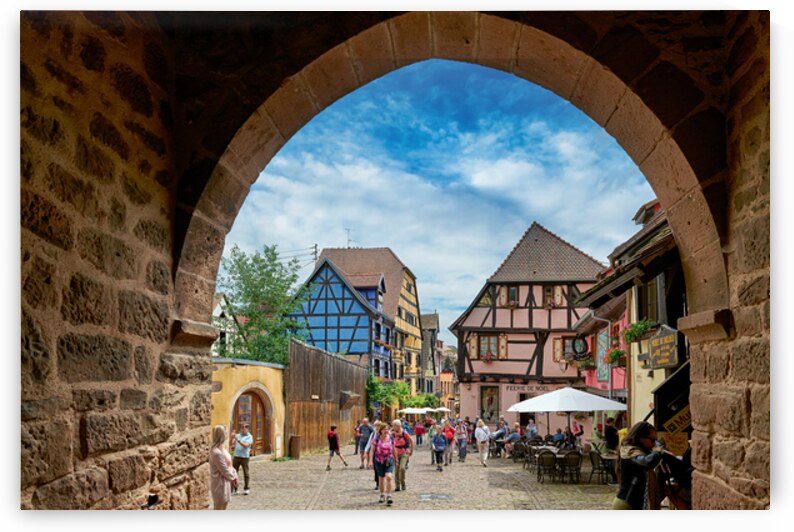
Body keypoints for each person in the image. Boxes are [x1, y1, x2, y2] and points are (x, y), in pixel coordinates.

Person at [612, 422, 664, 510]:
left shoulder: (638, 451)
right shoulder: (630, 452)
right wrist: (659, 452)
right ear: (641, 438)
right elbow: (647, 462)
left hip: (633, 503)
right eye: (652, 440)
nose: (654, 444)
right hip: (627, 505)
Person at [209, 425, 238, 510]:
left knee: (224, 506)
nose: (227, 434)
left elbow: (230, 464)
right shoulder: (216, 452)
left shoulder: (223, 449)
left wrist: (235, 474)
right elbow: (224, 469)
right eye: (225, 432)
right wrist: (233, 478)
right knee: (219, 508)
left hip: (226, 482)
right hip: (220, 484)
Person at [370, 422, 397, 505]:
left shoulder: (391, 438)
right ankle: (382, 494)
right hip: (379, 461)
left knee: (389, 477)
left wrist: (396, 460)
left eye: (387, 429)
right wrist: (370, 461)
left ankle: (389, 495)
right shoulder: (376, 439)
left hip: (389, 460)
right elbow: (372, 450)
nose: (386, 431)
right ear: (381, 430)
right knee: (381, 479)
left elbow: (393, 449)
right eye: (384, 429)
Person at [230, 423, 253, 495]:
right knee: (234, 473)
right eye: (241, 428)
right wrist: (232, 438)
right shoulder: (238, 435)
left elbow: (246, 445)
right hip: (236, 456)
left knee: (246, 473)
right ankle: (235, 489)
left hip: (245, 457)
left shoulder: (249, 437)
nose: (242, 430)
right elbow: (231, 444)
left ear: (247, 429)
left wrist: (238, 440)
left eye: (244, 428)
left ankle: (246, 488)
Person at [392, 419, 413, 492]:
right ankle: (397, 485)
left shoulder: (404, 433)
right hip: (395, 453)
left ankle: (403, 483)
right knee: (396, 470)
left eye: (394, 425)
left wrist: (411, 450)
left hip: (404, 452)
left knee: (402, 468)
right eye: (393, 425)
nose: (393, 427)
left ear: (398, 426)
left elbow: (411, 441)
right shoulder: (392, 433)